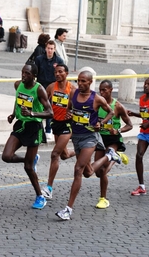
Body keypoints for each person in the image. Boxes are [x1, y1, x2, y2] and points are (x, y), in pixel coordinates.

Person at [55, 71, 122, 220]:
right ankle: (109, 156)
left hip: (90, 138)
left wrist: (100, 123)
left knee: (78, 169)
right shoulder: (74, 94)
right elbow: (69, 109)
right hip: (77, 137)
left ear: (90, 82)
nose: (80, 83)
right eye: (79, 80)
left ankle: (68, 209)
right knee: (87, 172)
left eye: (83, 81)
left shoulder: (96, 99)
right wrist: (68, 115)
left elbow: (110, 112)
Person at [2, 63, 53, 210]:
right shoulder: (19, 84)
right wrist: (13, 113)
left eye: (27, 74)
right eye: (23, 72)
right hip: (21, 124)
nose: (24, 76)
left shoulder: (39, 90)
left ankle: (40, 196)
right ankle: (31, 159)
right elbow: (18, 100)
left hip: (34, 127)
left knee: (28, 167)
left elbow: (50, 113)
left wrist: (32, 114)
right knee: (6, 156)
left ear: (34, 76)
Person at [93, 80, 132, 208]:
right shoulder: (98, 104)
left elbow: (130, 125)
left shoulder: (118, 106)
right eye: (100, 90)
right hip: (100, 138)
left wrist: (118, 130)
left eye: (104, 90)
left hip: (113, 139)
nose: (102, 92)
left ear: (111, 90)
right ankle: (117, 157)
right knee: (97, 171)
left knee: (103, 169)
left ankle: (103, 199)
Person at [41, 64, 76, 199]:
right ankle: (79, 151)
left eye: (60, 72)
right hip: (56, 123)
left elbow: (80, 107)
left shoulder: (72, 89)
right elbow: (43, 101)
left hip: (68, 125)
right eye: (56, 72)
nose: (57, 74)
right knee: (64, 155)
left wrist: (72, 113)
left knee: (55, 154)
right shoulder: (51, 87)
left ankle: (49, 188)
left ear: (66, 73)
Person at [35, 40, 64, 139]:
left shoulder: (59, 61)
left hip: (53, 87)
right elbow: (36, 72)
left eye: (52, 49)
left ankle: (48, 129)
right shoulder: (39, 59)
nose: (50, 51)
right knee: (39, 107)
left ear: (54, 49)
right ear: (45, 49)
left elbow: (62, 74)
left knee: (50, 108)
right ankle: (39, 129)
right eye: (48, 48)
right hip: (41, 86)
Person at [127, 78, 149, 196]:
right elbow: (144, 114)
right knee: (139, 155)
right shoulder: (142, 99)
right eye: (145, 84)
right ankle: (141, 186)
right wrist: (133, 113)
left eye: (148, 84)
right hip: (144, 133)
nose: (146, 86)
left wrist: (148, 123)